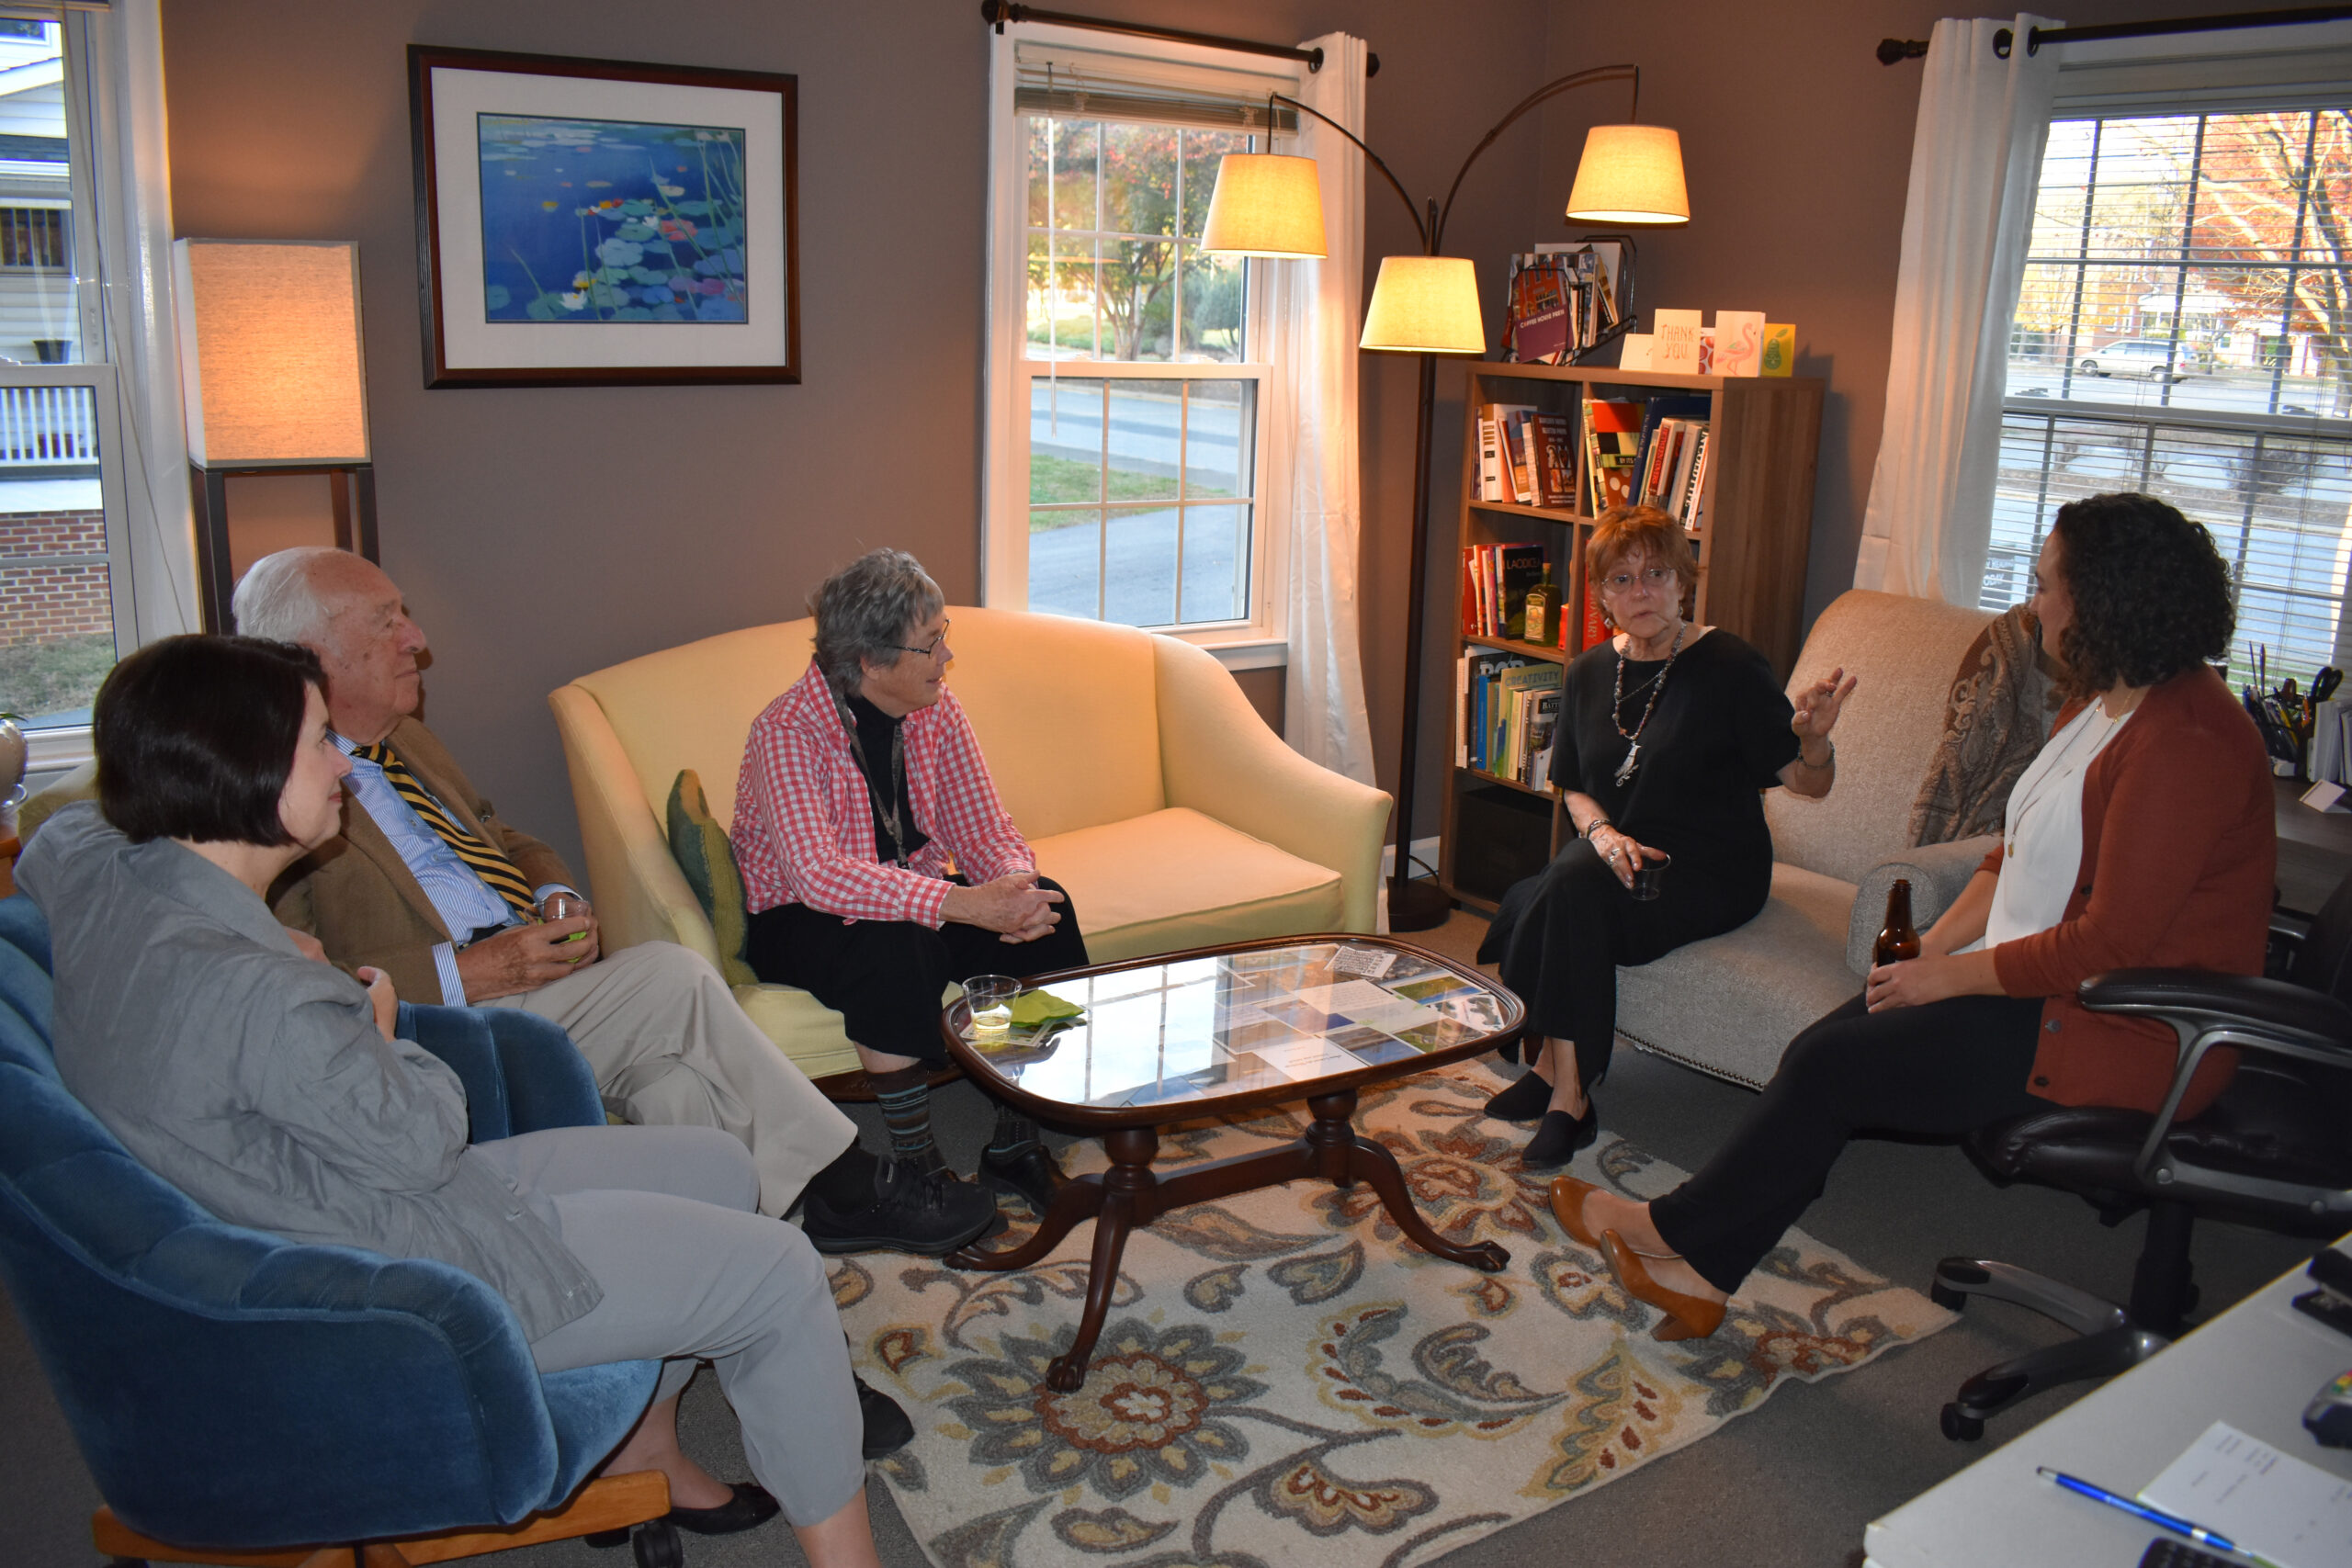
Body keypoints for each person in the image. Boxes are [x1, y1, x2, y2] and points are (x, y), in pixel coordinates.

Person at [20, 635, 883, 1564]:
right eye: (318, 742)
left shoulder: (99, 865)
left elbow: (57, 832)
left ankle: (647, 1448)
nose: (341, 767)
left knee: (719, 1166)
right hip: (410, 1278)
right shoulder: (266, 996)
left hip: (343, 1195)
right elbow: (426, 1138)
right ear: (244, 766)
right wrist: (378, 1027)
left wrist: (276, 950)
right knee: (778, 1273)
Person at [1551, 492, 2274, 1340]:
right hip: (2042, 984)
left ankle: (1673, 1237)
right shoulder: (2101, 703)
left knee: (1833, 1068)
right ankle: (1698, 1270)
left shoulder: (2188, 741)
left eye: (2047, 585)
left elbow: (2108, 943)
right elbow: (2012, 852)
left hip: (2130, 1029)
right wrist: (1931, 947)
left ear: (2103, 600)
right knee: (1820, 1049)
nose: (2032, 603)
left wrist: (1948, 977)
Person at [232, 548, 959, 1255]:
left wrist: (553, 892)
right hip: (452, 1018)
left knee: (676, 1088)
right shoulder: (274, 797)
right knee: (673, 975)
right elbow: (295, 982)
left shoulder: (409, 741)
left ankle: (751, 1250)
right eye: (386, 621)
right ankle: (846, 1179)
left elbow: (501, 834)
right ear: (312, 652)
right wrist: (470, 971)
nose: (416, 638)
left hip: (538, 978)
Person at [1476, 506, 1856, 1168]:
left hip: (1711, 868)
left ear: (1684, 581)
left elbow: (1806, 782)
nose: (1641, 592)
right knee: (1564, 889)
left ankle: (1564, 1090)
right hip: (1618, 859)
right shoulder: (1589, 671)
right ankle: (1557, 1079)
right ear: (1602, 596)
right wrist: (1604, 835)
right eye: (1622, 579)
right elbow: (1574, 786)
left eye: (1657, 574)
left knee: (1552, 891)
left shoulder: (1731, 665)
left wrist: (1815, 742)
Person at [735, 549, 1090, 1249]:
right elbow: (818, 875)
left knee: (1049, 908)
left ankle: (1014, 1141)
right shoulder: (786, 731)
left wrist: (1013, 887)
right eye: (930, 644)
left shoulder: (935, 708)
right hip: (799, 915)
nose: (947, 656)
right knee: (894, 947)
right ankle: (919, 1169)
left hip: (909, 891)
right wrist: (963, 905)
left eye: (942, 634)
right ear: (870, 660)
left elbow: (984, 828)